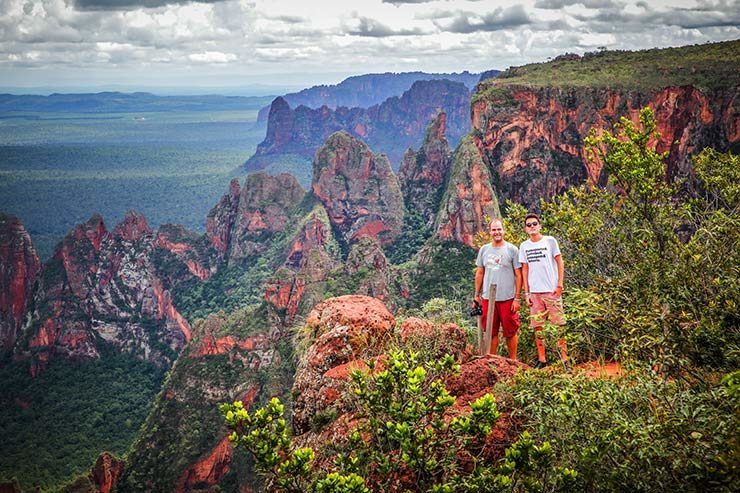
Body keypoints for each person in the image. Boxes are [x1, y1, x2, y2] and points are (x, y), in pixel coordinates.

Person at [518, 213, 569, 369]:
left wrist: (559, 285)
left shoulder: (550, 241)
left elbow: (560, 262)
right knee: (537, 327)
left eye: (534, 224)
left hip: (551, 291)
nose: (532, 227)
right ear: (526, 229)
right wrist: (527, 293)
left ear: (540, 226)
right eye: (529, 225)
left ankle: (565, 360)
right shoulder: (524, 246)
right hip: (535, 293)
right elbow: (524, 270)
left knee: (559, 325)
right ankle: (542, 359)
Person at [474, 219, 522, 359]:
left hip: (507, 298)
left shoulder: (512, 250)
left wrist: (517, 298)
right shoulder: (484, 250)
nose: (497, 232)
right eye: (494, 230)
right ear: (490, 232)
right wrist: (476, 295)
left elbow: (518, 275)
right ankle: (491, 360)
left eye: (499, 229)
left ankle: (513, 361)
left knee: (510, 331)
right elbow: (480, 273)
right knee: (490, 331)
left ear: (503, 230)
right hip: (488, 298)